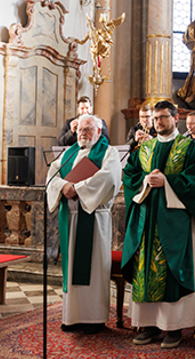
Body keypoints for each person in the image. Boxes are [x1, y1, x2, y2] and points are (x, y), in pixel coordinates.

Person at [122, 100, 195, 349]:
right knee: (145, 270)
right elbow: (129, 175)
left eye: (163, 117)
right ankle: (150, 326)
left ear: (176, 118)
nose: (158, 122)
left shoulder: (188, 148)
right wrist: (145, 180)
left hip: (176, 223)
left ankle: (174, 328)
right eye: (155, 118)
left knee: (173, 271)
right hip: (147, 219)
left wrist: (168, 182)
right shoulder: (145, 148)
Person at [48, 115, 122, 334]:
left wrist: (77, 189)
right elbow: (51, 174)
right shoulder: (68, 153)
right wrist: (63, 187)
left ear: (99, 132)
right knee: (71, 269)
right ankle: (72, 317)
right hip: (70, 217)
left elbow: (109, 178)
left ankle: (95, 319)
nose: (83, 134)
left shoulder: (109, 152)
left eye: (88, 130)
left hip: (94, 217)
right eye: (80, 130)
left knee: (95, 268)